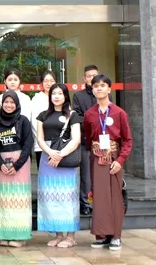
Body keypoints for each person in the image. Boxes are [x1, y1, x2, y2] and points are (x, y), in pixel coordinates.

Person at [83, 75, 132, 251]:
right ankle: (102, 235)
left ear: (109, 89)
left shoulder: (119, 113)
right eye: (96, 86)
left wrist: (120, 160)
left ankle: (116, 236)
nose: (99, 89)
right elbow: (88, 138)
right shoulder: (89, 114)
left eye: (103, 86)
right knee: (99, 196)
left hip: (114, 159)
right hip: (97, 159)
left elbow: (127, 140)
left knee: (114, 198)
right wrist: (96, 151)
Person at [36, 84, 82, 249]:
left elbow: (76, 139)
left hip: (66, 158)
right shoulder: (43, 115)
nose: (56, 96)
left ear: (65, 96)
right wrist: (50, 153)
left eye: (60, 93)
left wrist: (60, 155)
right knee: (51, 197)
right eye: (53, 93)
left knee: (68, 197)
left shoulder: (73, 115)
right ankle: (58, 234)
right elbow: (40, 139)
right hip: (47, 159)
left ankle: (71, 236)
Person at [0, 90, 34, 248]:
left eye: (12, 102)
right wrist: (0, 164)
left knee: (19, 200)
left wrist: (17, 165)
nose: (9, 105)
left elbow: (28, 144)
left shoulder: (23, 121)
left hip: (20, 165)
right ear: (2, 104)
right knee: (4, 200)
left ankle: (20, 236)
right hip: (2, 165)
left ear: (17, 104)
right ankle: (5, 233)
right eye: (6, 102)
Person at [72, 65, 102, 215]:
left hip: (103, 141)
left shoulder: (104, 95)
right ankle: (85, 203)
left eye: (94, 75)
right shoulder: (78, 96)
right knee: (86, 175)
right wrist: (92, 123)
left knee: (101, 172)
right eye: (89, 76)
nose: (91, 78)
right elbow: (77, 116)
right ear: (85, 78)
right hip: (85, 141)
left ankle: (100, 202)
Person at [30, 71, 56, 169]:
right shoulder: (37, 99)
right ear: (42, 83)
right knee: (44, 176)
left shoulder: (61, 97)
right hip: (41, 145)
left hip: (59, 145)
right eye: (46, 81)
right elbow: (34, 122)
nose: (49, 83)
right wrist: (42, 140)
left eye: (52, 81)